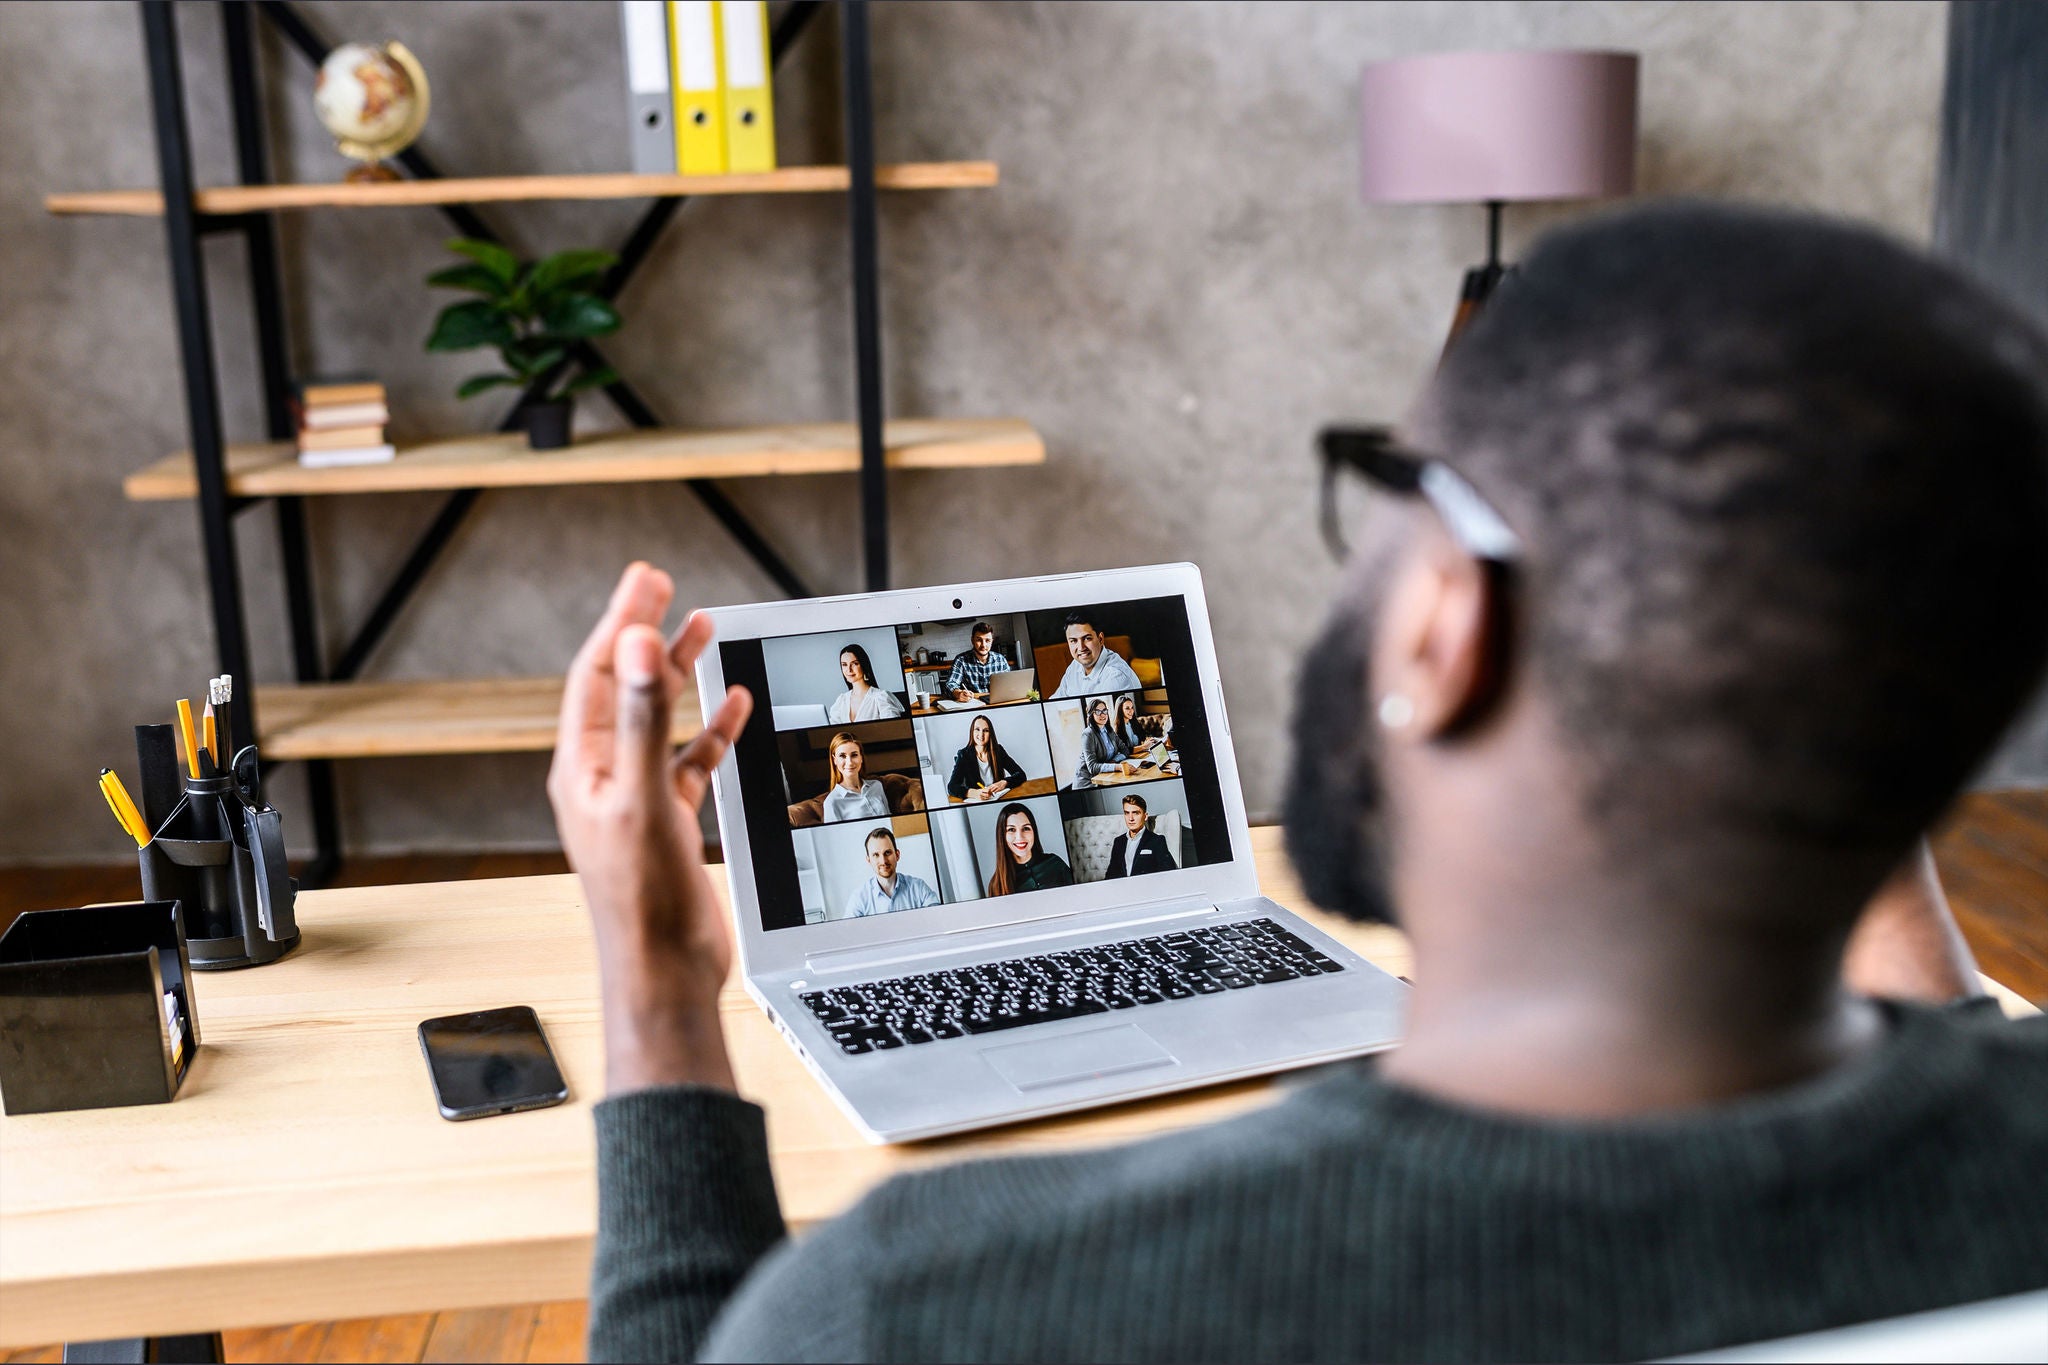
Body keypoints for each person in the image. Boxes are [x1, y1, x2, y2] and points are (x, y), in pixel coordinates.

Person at [550, 203, 2048, 1364]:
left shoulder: (938, 1307)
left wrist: (663, 978)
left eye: (1397, 496)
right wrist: (1859, 731)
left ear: (1450, 628)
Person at [839, 827, 940, 919]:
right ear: (869, 860)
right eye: (876, 855)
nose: (883, 861)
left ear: (897, 855)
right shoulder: (859, 898)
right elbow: (849, 933)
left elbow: (937, 919)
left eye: (887, 853)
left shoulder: (918, 888)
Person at [985, 802, 1074, 896]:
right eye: (1011, 830)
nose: (1020, 837)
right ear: (1002, 836)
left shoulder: (1055, 863)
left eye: (1026, 828)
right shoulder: (996, 885)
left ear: (1033, 831)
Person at [1048, 612, 1143, 698]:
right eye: (1073, 641)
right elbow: (1055, 702)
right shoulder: (1075, 666)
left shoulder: (1116, 677)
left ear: (1100, 639)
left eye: (1087, 638)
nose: (1081, 648)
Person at [946, 713, 1026, 802]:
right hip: (978, 801)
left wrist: (1004, 782)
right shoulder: (964, 755)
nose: (981, 734)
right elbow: (952, 787)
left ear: (990, 733)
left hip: (1000, 798)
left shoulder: (998, 750)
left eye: (986, 730)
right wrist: (974, 793)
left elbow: (1021, 774)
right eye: (977, 729)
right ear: (972, 732)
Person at [816, 732, 887, 823]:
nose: (849, 762)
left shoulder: (877, 786)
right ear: (834, 760)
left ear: (861, 757)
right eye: (842, 756)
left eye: (854, 755)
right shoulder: (832, 802)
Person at [825, 642, 904, 724]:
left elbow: (892, 729)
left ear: (863, 665)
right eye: (844, 665)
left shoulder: (881, 697)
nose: (849, 670)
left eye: (855, 664)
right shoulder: (841, 701)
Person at [1104, 792, 1176, 878]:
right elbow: (1110, 874)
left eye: (1135, 813)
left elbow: (1168, 871)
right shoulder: (1118, 841)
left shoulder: (1157, 841)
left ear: (1145, 816)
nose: (1130, 818)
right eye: (1127, 813)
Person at [1072, 696, 1137, 788]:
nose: (1102, 715)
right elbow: (1092, 767)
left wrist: (1113, 761)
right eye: (1098, 712)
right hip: (1088, 782)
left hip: (1106, 776)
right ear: (1091, 715)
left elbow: (1125, 750)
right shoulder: (1088, 734)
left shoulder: (1109, 731)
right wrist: (1117, 767)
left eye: (1104, 711)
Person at [944, 622, 1012, 702]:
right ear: (972, 640)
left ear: (992, 641)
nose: (983, 645)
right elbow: (950, 684)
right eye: (979, 640)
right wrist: (959, 693)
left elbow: (1009, 685)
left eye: (987, 640)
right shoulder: (961, 660)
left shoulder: (1001, 660)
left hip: (996, 703)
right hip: (972, 703)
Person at [1111, 692, 1155, 757]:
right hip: (1128, 758)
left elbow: (1143, 736)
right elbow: (1123, 750)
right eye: (1127, 708)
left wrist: (1147, 739)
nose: (1131, 711)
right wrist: (1143, 746)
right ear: (1120, 710)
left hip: (1141, 754)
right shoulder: (1116, 729)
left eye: (1132, 707)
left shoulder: (1134, 723)